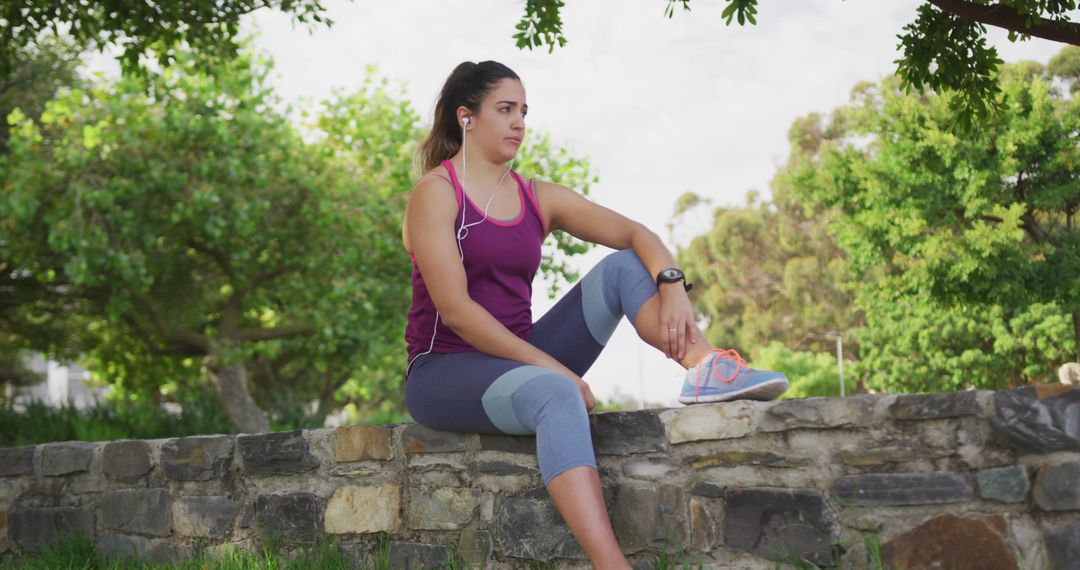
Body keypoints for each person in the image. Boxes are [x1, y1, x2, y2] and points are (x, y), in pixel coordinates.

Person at [401, 60, 789, 569]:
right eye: (505, 109)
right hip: (444, 370)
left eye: (523, 111)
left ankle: (705, 367)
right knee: (556, 392)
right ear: (466, 117)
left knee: (624, 267)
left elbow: (637, 235)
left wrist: (672, 284)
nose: (519, 122)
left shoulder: (536, 196)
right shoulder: (437, 192)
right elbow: (456, 312)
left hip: (520, 362)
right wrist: (554, 369)